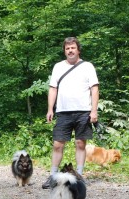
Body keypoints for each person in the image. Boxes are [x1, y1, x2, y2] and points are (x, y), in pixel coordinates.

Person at [42, 37, 99, 189]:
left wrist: (94, 111)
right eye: (67, 49)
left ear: (78, 50)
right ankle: (53, 176)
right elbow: (53, 88)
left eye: (73, 48)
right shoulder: (58, 67)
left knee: (80, 143)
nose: (70, 51)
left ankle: (79, 176)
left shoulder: (87, 66)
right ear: (64, 51)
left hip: (83, 111)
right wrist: (50, 109)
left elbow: (94, 89)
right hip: (63, 112)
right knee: (57, 144)